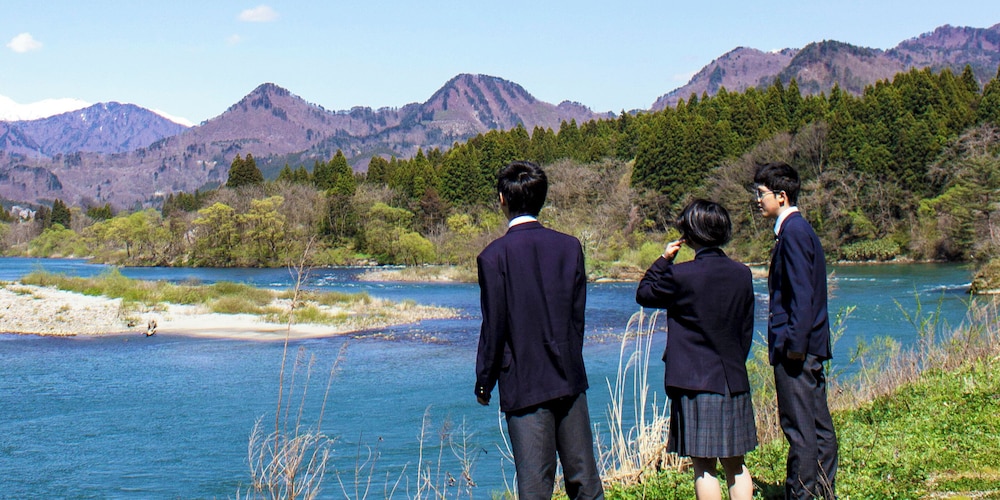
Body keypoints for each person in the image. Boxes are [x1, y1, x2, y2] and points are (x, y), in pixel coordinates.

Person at [475, 160, 605, 500]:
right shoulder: (569, 246)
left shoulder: (493, 257)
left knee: (534, 486)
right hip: (568, 376)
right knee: (585, 480)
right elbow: (577, 317)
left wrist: (485, 381)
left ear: (502, 199)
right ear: (542, 198)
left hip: (523, 381)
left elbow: (494, 326)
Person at [636, 199, 757, 500]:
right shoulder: (742, 273)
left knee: (703, 466)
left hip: (694, 381)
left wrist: (664, 259)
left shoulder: (681, 275)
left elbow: (644, 293)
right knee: (736, 463)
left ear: (690, 235)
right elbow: (746, 329)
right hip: (732, 378)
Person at [754, 162, 838, 499]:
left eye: (761, 194)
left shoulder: (793, 233)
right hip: (807, 345)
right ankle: (822, 491)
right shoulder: (798, 230)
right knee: (816, 424)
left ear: (781, 196)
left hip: (797, 348)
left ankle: (803, 494)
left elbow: (802, 295)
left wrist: (794, 347)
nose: (758, 200)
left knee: (800, 427)